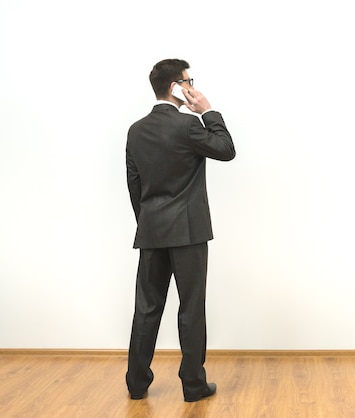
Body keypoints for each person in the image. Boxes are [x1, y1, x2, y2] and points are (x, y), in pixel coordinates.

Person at [125, 59, 236, 402]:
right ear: (176, 86)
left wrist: (148, 221)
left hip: (152, 231)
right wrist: (208, 111)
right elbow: (226, 150)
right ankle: (193, 385)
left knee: (146, 308)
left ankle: (136, 384)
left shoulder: (136, 130)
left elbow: (134, 184)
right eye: (189, 80)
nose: (192, 86)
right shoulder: (188, 126)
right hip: (188, 233)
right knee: (191, 307)